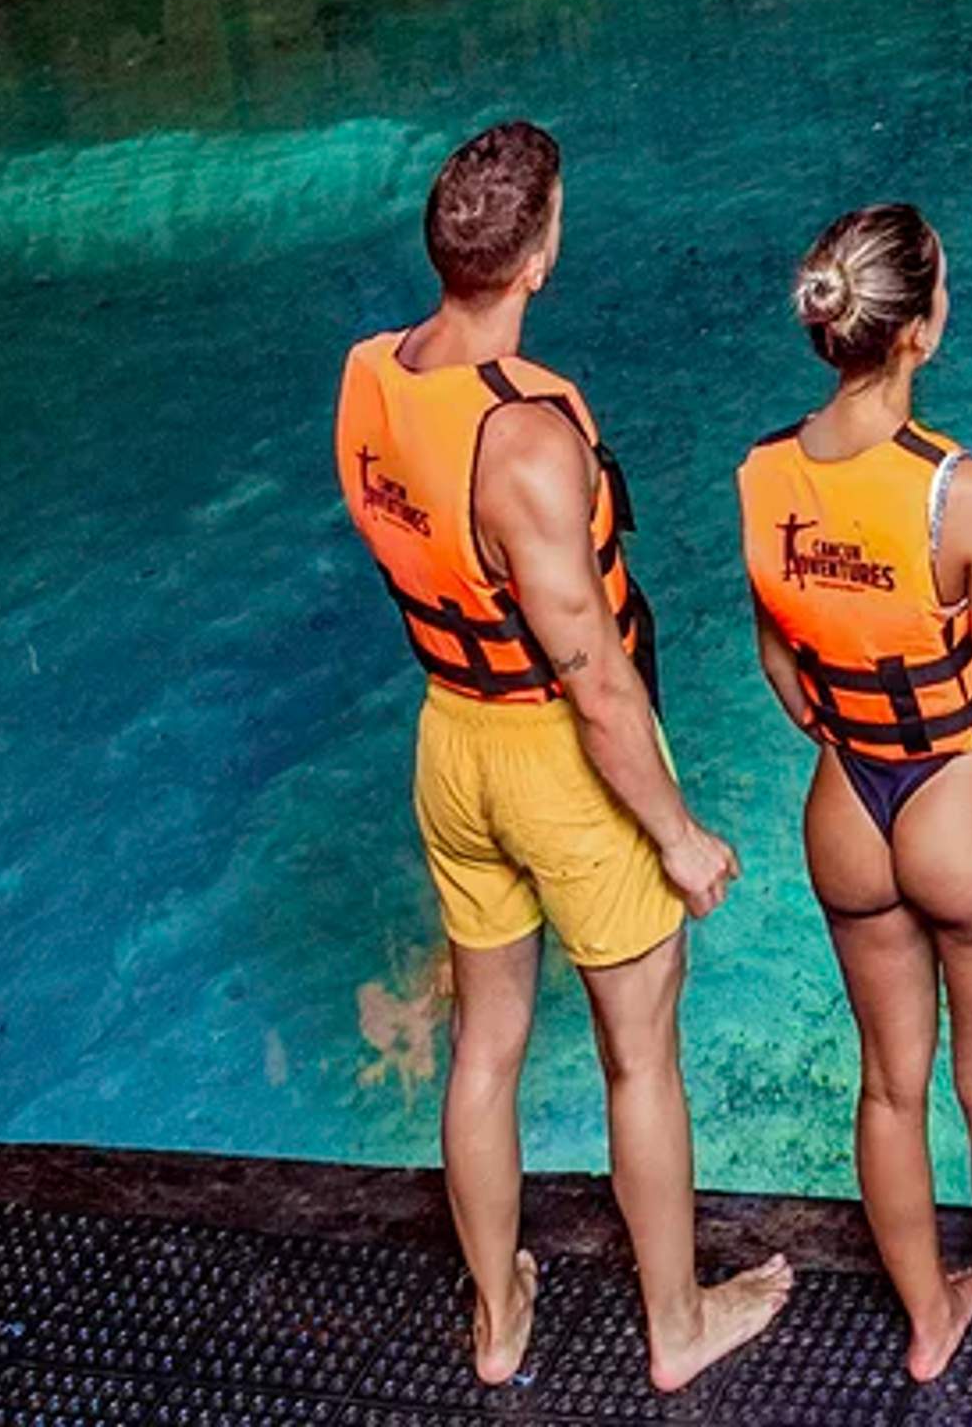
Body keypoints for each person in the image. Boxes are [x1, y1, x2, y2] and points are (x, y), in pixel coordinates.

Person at [331, 120, 791, 1392]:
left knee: (485, 1045)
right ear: (538, 256)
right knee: (640, 1053)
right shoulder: (529, 441)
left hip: (449, 737)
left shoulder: (368, 377)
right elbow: (593, 680)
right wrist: (679, 835)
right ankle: (677, 1324)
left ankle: (499, 1318)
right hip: (555, 762)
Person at [739, 205, 972, 1389]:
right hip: (955, 800)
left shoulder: (763, 474)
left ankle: (931, 1317)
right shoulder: (960, 491)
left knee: (890, 1084)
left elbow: (784, 669)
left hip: (847, 803)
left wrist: (853, 726)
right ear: (921, 332)